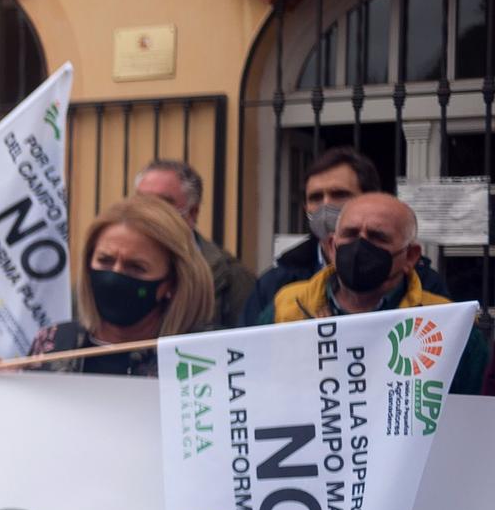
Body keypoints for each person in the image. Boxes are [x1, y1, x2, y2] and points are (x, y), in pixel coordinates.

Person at [0, 195, 217, 381]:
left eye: (136, 267)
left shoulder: (200, 359)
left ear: (170, 283)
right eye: (105, 261)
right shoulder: (53, 344)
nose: (115, 275)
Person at [263, 192, 487, 394]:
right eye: (350, 234)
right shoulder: (288, 306)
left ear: (411, 256)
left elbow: (471, 417)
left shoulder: (447, 326)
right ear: (332, 247)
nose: (360, 246)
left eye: (378, 237)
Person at [241, 147, 444, 321]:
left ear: (370, 197)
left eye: (339, 194)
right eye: (315, 197)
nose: (326, 205)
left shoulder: (424, 285)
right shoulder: (276, 285)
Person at [134, 158, 255, 326]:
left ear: (192, 212)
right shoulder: (111, 265)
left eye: (163, 203)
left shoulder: (231, 278)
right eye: (142, 201)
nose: (149, 212)